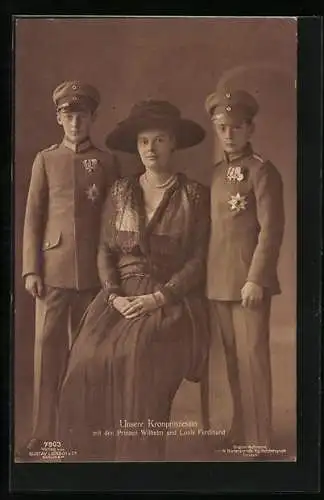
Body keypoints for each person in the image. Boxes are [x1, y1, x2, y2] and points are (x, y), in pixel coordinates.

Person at [57, 99, 210, 462]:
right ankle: (87, 457)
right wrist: (113, 296)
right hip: (120, 296)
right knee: (85, 357)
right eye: (144, 142)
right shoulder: (121, 191)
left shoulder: (194, 196)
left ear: (173, 144)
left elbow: (199, 259)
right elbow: (104, 252)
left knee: (138, 355)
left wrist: (160, 298)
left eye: (159, 140)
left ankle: (136, 459)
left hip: (172, 301)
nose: (151, 149)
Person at [18, 81, 120, 459]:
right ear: (59, 118)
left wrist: (113, 271)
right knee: (48, 351)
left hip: (94, 274)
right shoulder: (45, 160)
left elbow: (113, 218)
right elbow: (33, 218)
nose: (75, 122)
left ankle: (82, 431)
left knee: (87, 353)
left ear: (93, 118)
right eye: (68, 115)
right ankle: (44, 434)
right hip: (53, 270)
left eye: (82, 115)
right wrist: (31, 268)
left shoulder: (108, 162)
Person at [204, 89, 285, 453]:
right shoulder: (216, 173)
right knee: (234, 360)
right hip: (218, 280)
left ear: (250, 128)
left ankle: (259, 439)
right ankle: (241, 429)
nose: (229, 134)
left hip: (248, 281)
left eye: (236, 127)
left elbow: (271, 230)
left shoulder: (262, 170)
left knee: (253, 359)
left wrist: (256, 278)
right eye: (222, 127)